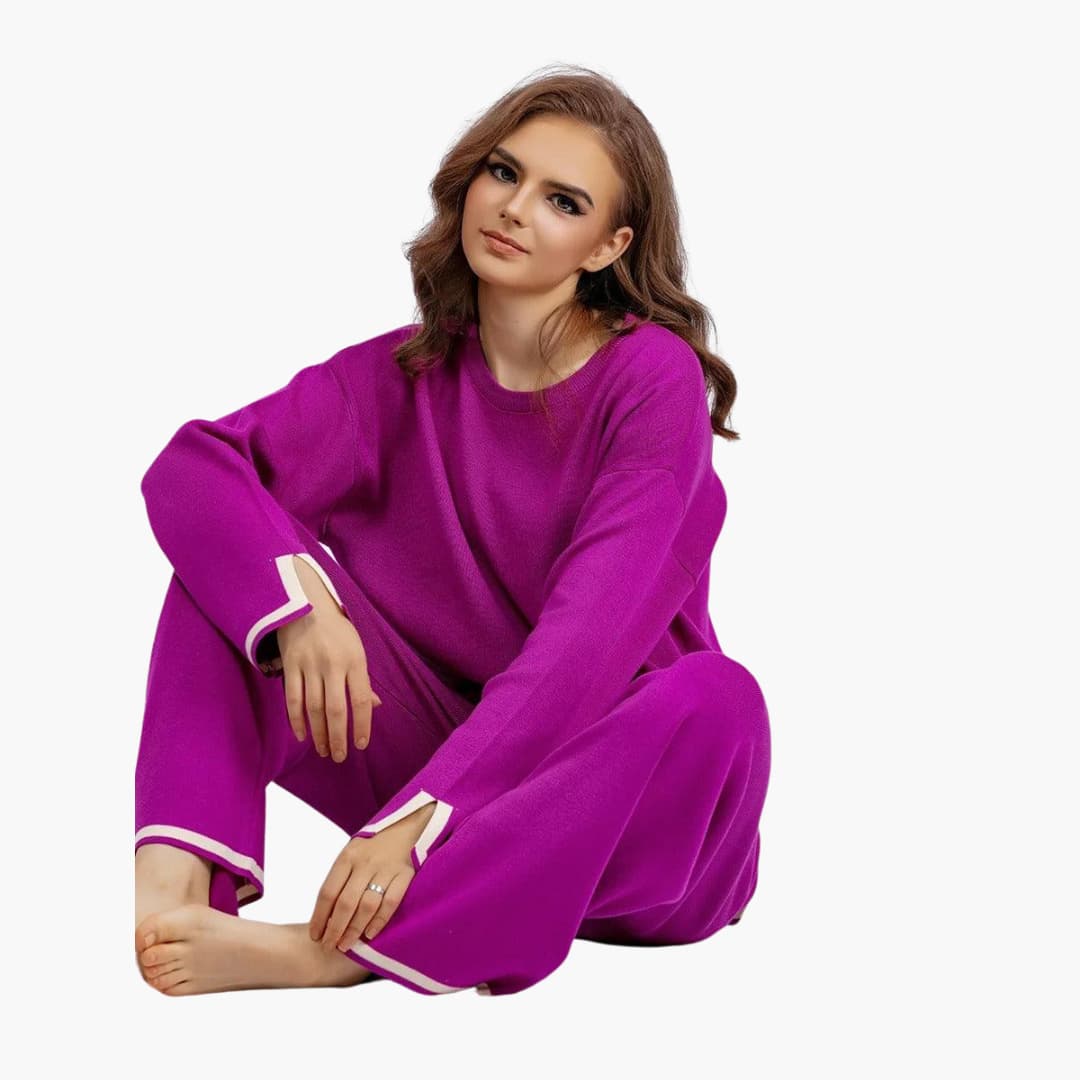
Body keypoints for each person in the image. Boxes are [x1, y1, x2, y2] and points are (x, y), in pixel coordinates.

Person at [133, 64, 772, 998]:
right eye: (504, 173)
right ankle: (174, 899)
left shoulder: (651, 380)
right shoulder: (398, 375)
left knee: (719, 697)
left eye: (562, 200)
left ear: (609, 246)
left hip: (622, 817)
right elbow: (194, 470)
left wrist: (427, 814)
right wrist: (301, 610)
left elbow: (589, 640)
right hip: (445, 767)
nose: (514, 208)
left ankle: (332, 954)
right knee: (234, 573)